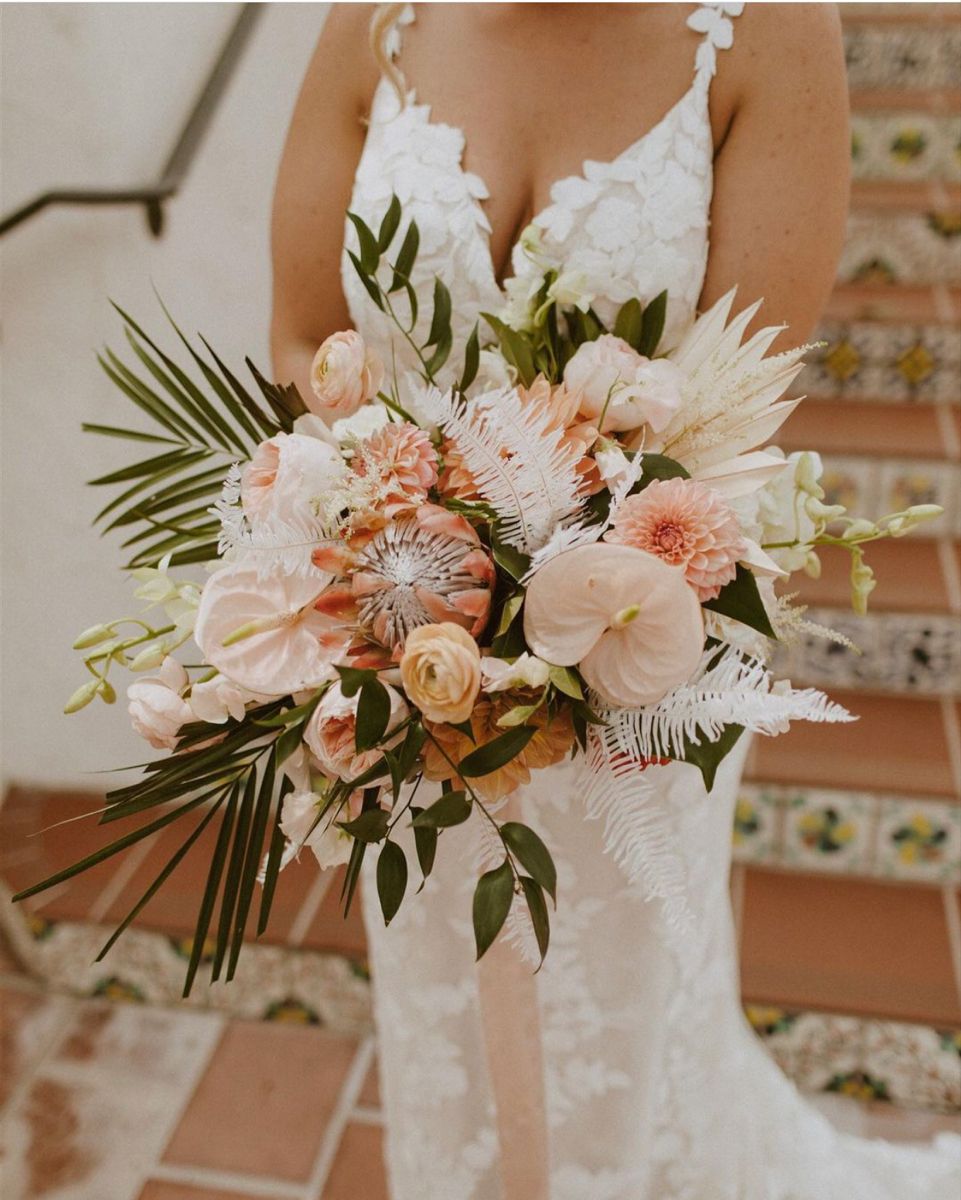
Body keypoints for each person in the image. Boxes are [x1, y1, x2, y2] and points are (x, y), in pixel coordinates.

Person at [270, 4, 961, 1197]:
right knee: (438, 989)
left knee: (628, 997)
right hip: (406, 661)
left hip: (641, 653)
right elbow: (297, 337)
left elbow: (741, 408)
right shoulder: (376, 19)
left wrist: (543, 599)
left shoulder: (766, 33)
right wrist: (373, 530)